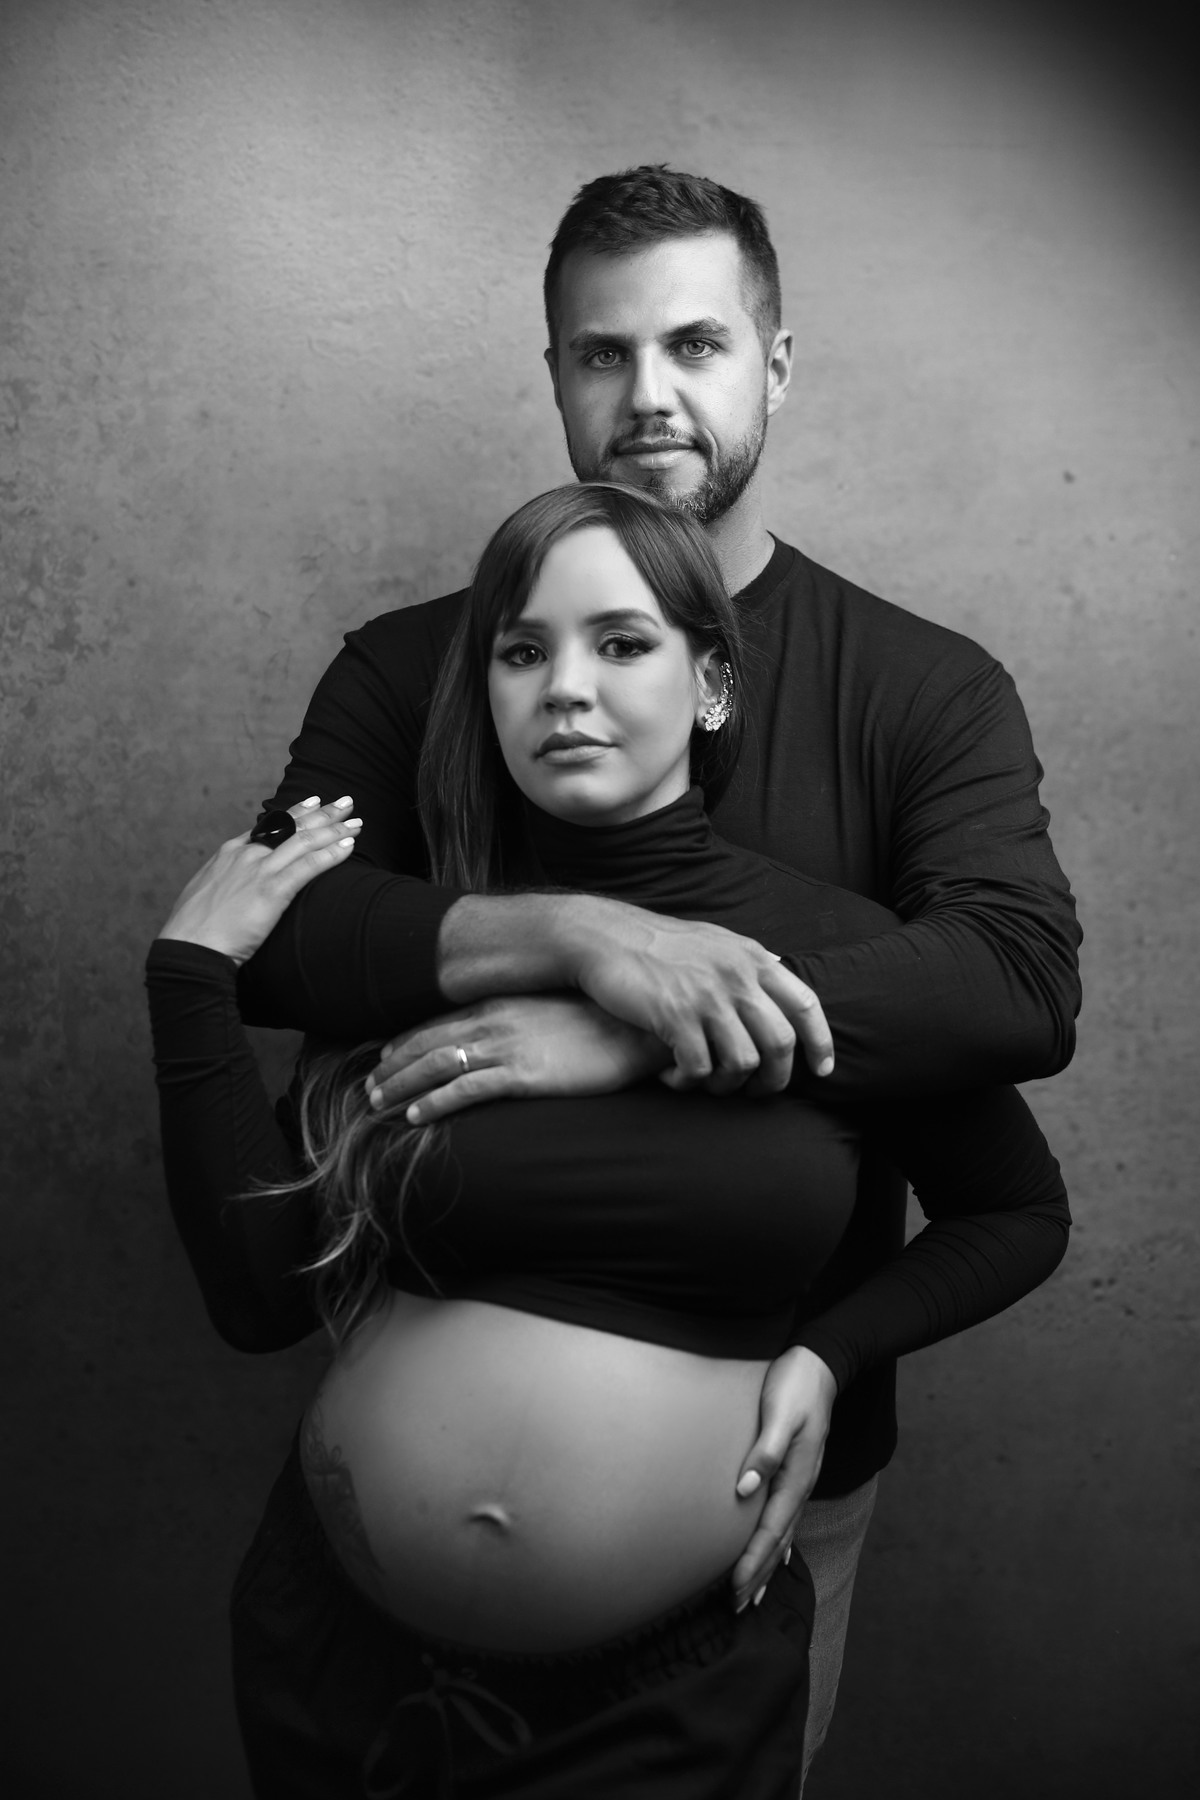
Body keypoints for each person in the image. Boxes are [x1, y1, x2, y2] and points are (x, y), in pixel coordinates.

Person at [234, 167, 1083, 1775]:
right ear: (555, 373)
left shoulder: (923, 688)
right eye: (601, 354)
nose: (649, 397)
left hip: (763, 1483)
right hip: (392, 1504)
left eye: (696, 345)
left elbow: (1017, 982)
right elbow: (271, 933)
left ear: (776, 362)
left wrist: (649, 1027)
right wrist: (579, 942)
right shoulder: (415, 666)